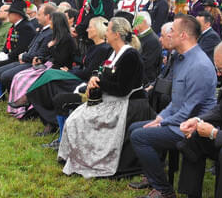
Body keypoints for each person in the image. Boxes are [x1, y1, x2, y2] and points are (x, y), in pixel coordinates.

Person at [129, 14, 217, 198]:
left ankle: (164, 191)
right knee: (135, 128)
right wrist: (160, 119)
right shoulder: (180, 57)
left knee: (139, 136)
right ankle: (153, 177)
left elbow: (189, 111)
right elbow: (176, 102)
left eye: (173, 31)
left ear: (184, 35)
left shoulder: (199, 65)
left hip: (191, 127)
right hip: (179, 120)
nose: (169, 34)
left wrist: (163, 124)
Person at [158, 39, 222, 198]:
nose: (218, 73)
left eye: (221, 69)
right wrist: (198, 119)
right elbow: (221, 110)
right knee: (193, 139)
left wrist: (214, 133)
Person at [57, 17, 151, 178]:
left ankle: (88, 157)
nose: (106, 33)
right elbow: (102, 72)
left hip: (127, 103)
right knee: (77, 116)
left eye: (108, 30)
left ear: (116, 34)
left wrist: (99, 83)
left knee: (81, 119)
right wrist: (95, 78)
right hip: (112, 98)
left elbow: (122, 89)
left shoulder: (130, 56)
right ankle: (74, 154)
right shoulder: (114, 53)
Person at [24, 16, 111, 142]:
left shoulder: (102, 49)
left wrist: (69, 71)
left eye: (90, 27)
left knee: (51, 77)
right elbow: (82, 62)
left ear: (97, 30)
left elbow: (88, 72)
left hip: (85, 82)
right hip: (78, 75)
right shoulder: (94, 47)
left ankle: (36, 105)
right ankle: (49, 119)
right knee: (50, 78)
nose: (87, 30)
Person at [133, 11, 162, 86]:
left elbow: (146, 63)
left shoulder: (152, 40)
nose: (133, 23)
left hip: (146, 81)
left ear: (143, 22)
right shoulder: (141, 36)